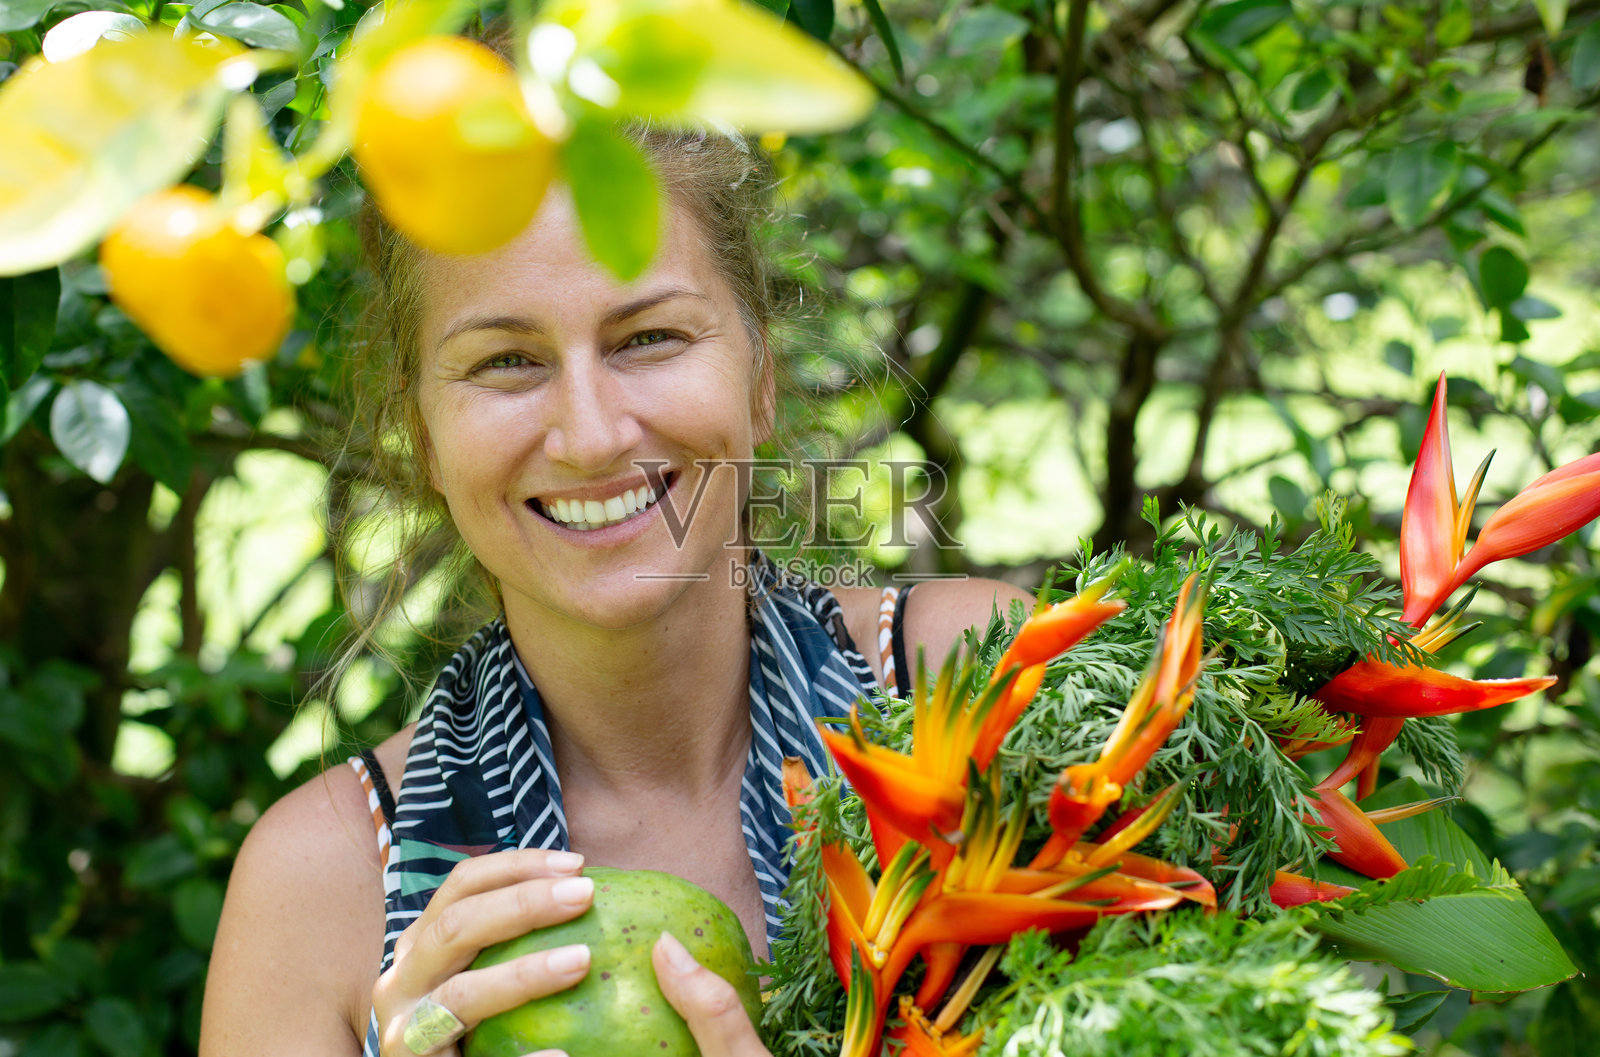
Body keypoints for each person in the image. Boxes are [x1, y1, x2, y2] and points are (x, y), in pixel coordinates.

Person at [198, 124, 1031, 1057]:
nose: (591, 436)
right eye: (507, 361)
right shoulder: (322, 887)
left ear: (759, 375)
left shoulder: (982, 684)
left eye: (648, 337)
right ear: (422, 431)